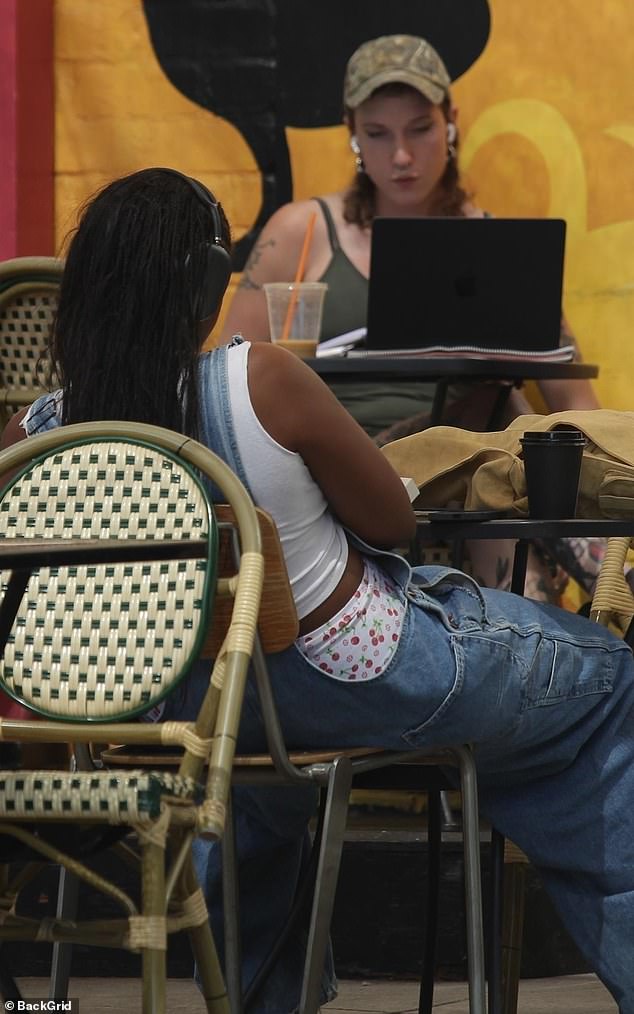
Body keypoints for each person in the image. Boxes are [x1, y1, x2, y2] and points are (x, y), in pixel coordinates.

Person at [3, 167, 634, 1014]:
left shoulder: (39, 432)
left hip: (184, 718)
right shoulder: (263, 380)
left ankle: (261, 997)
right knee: (604, 680)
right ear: (201, 283)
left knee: (258, 781)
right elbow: (389, 521)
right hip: (355, 684)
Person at [220, 32, 605, 604]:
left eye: (419, 130)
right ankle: (595, 589)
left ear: (450, 123)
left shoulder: (495, 249)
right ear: (352, 133)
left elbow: (576, 401)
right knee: (497, 437)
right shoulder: (300, 233)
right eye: (378, 134)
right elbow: (227, 381)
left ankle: (587, 597)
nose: (401, 156)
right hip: (341, 470)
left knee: (510, 427)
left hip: (469, 476)